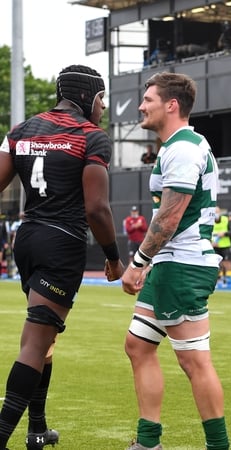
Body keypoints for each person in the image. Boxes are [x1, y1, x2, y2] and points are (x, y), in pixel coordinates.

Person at [0, 64, 124, 450]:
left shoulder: (19, 131)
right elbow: (97, 209)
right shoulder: (92, 136)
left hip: (28, 240)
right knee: (35, 344)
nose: (103, 106)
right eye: (101, 98)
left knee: (43, 339)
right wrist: (113, 257)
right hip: (62, 244)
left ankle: (38, 429)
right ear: (87, 96)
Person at [120, 72, 230, 450]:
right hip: (173, 263)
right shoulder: (178, 146)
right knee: (137, 345)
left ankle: (218, 446)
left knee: (194, 361)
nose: (141, 105)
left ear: (171, 105)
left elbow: (170, 215)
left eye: (147, 98)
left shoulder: (183, 148)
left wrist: (138, 261)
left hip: (181, 265)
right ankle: (149, 441)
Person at [211, 206, 231, 287]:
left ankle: (227, 280)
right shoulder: (210, 221)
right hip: (215, 245)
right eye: (214, 212)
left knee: (227, 263)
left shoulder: (226, 219)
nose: (216, 214)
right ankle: (217, 280)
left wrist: (224, 233)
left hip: (225, 245)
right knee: (216, 264)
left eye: (217, 212)